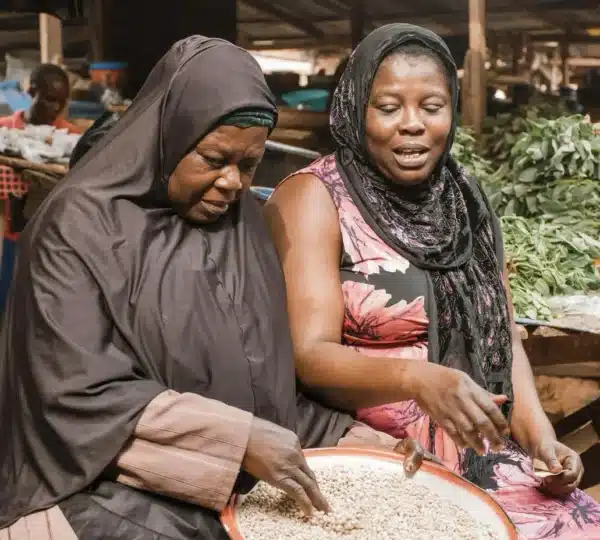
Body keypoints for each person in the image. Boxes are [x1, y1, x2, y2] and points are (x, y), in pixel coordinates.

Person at [0, 36, 426, 540]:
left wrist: (352, 441)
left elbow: (263, 384)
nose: (232, 182)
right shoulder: (77, 227)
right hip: (94, 481)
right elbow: (72, 397)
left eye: (248, 165)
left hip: (225, 478)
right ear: (169, 136)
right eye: (213, 158)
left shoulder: (242, 226)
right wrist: (239, 441)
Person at [264, 24, 600, 539]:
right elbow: (309, 356)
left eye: (432, 106)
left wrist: (543, 443)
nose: (413, 125)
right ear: (357, 108)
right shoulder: (316, 198)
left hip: (481, 453)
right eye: (389, 106)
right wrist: (419, 381)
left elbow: (503, 336)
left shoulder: (464, 201)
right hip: (374, 456)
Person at [0, 63, 82, 133]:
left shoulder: (71, 134)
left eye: (62, 102)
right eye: (51, 99)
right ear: (31, 92)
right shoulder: (3, 130)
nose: (57, 107)